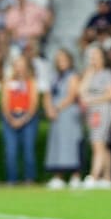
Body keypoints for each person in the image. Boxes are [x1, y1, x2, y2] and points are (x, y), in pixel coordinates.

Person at [44, 48, 83, 189]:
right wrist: (49, 108)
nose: (61, 63)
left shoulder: (72, 76)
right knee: (57, 145)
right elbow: (47, 94)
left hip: (67, 113)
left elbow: (72, 95)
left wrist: (57, 108)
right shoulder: (54, 76)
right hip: (56, 116)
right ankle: (58, 175)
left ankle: (75, 175)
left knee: (71, 144)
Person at [79, 45, 111, 189]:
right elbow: (81, 91)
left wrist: (92, 100)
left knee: (98, 143)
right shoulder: (91, 73)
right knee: (102, 145)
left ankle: (94, 176)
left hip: (103, 110)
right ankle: (107, 177)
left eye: (96, 56)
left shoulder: (107, 74)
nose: (93, 59)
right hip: (93, 112)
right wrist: (89, 73)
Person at [0, 55, 41, 184]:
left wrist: (23, 119)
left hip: (28, 118)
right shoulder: (8, 82)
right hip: (10, 118)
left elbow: (34, 104)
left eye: (22, 65)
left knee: (29, 151)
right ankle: (12, 180)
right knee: (10, 151)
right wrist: (11, 119)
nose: (20, 68)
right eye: (17, 65)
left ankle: (29, 179)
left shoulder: (31, 82)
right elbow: (4, 103)